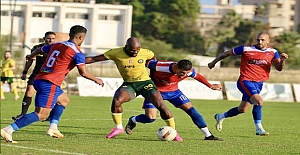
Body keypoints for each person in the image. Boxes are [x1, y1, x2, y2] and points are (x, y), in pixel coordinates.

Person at [1, 25, 104, 143]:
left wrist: (31, 55)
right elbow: (83, 72)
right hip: (50, 83)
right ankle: (8, 130)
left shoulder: (56, 45)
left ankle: (53, 128)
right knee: (41, 114)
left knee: (64, 100)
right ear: (81, 37)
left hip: (39, 79)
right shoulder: (77, 52)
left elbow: (40, 50)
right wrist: (96, 79)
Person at [85, 37, 182, 141]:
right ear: (126, 47)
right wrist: (76, 61)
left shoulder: (147, 53)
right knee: (116, 101)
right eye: (132, 50)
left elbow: (153, 62)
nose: (135, 52)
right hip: (129, 84)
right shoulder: (115, 52)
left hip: (145, 83)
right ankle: (119, 128)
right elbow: (94, 59)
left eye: (137, 50)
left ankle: (174, 132)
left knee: (161, 106)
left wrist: (155, 76)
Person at [207, 32, 288, 136]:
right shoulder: (246, 49)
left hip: (258, 83)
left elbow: (279, 68)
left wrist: (282, 61)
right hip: (245, 81)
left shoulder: (273, 52)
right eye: (258, 39)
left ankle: (220, 116)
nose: (260, 42)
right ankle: (259, 129)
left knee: (242, 109)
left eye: (262, 40)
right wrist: (213, 62)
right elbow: (226, 53)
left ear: (268, 41)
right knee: (259, 101)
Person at [125, 59, 224, 141]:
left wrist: (211, 86)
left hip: (174, 92)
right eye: (182, 72)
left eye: (186, 73)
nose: (183, 75)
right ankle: (133, 120)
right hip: (155, 92)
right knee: (150, 118)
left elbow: (198, 76)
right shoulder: (161, 66)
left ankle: (208, 136)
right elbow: (146, 62)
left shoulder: (187, 72)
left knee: (193, 112)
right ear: (177, 67)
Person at [12, 31, 56, 121]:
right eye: (48, 38)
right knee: (29, 92)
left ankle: (51, 116)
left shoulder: (57, 49)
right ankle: (22, 114)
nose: (50, 40)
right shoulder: (37, 48)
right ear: (44, 39)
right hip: (37, 74)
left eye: (53, 38)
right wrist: (24, 72)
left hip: (51, 75)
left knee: (52, 96)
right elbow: (30, 60)